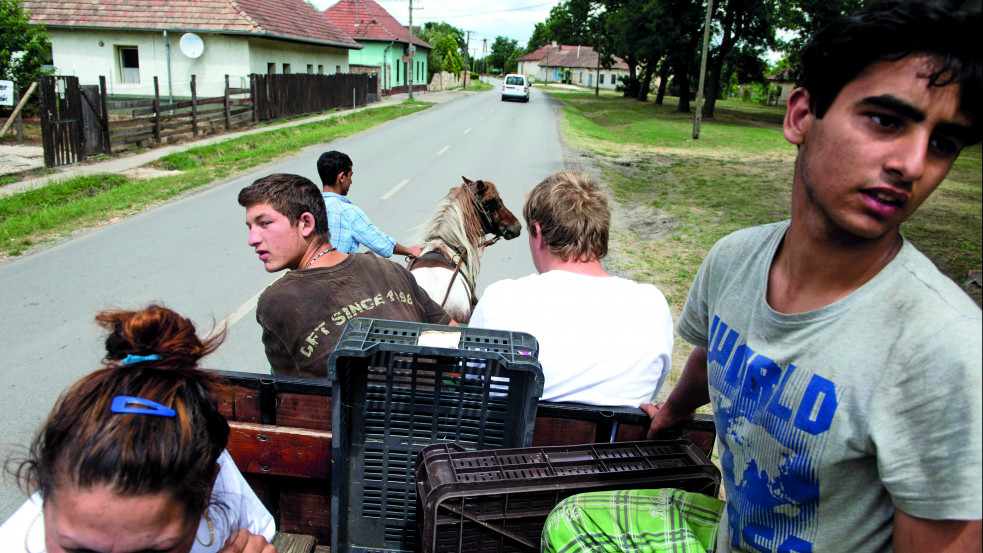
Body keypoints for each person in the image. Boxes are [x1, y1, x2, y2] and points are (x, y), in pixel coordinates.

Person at [543, 1, 982, 552]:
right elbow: (714, 353)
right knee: (571, 521)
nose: (913, 164)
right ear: (801, 115)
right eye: (886, 120)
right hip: (734, 534)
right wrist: (673, 413)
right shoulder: (734, 260)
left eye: (944, 143)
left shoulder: (946, 350)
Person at [1, 305, 276, 553]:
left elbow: (257, 533)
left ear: (208, 492)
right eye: (78, 551)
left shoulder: (204, 467)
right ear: (44, 492)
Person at [469, 170, 674, 407]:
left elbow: (474, 382)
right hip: (616, 442)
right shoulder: (652, 305)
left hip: (517, 443)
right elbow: (650, 389)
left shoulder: (499, 300)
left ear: (537, 233)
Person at [239, 173, 454, 378]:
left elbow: (292, 398)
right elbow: (453, 335)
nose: (252, 239)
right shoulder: (390, 268)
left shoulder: (276, 301)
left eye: (264, 223)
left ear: (306, 223)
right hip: (434, 411)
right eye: (250, 227)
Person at [316, 150, 423, 259]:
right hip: (338, 272)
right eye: (350, 176)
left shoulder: (310, 206)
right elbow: (380, 243)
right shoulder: (348, 212)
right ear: (342, 177)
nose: (351, 182)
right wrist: (409, 250)